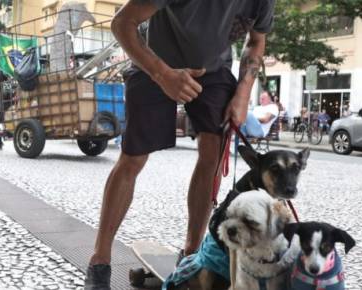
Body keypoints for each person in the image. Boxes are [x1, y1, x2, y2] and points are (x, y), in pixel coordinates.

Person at [84, 0, 274, 288]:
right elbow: (122, 23)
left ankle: (191, 255)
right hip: (154, 65)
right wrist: (162, 74)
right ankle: (100, 260)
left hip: (214, 72)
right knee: (133, 159)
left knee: (213, 152)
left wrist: (243, 94)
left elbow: (257, 40)